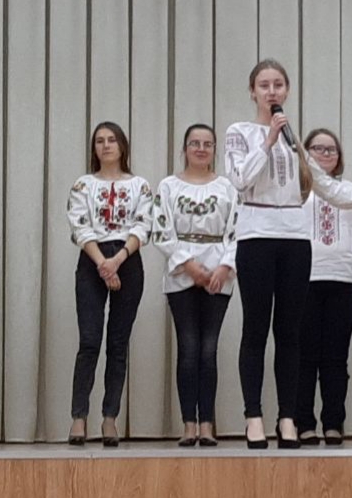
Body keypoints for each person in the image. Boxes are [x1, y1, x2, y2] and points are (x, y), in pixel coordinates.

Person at [224, 58, 352, 449]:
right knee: (255, 329)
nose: (272, 91)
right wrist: (267, 141)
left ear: (287, 90)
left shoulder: (293, 139)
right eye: (264, 85)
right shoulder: (240, 132)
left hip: (295, 240)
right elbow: (240, 179)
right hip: (256, 236)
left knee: (289, 333)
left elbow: (324, 185)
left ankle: (287, 417)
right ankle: (253, 416)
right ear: (253, 91)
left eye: (278, 85)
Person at [66, 121, 152, 447]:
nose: (105, 145)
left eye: (112, 140)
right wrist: (103, 262)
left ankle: (109, 418)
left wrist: (117, 260)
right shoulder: (83, 185)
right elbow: (79, 225)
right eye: (100, 141)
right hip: (92, 259)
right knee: (89, 341)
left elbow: (143, 225)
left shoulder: (140, 185)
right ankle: (78, 416)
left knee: (118, 344)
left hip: (127, 259)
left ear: (122, 146)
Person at [152, 124, 237, 447]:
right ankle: (189, 423)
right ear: (184, 149)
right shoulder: (168, 186)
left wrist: (224, 266)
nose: (201, 149)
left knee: (208, 349)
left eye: (207, 144)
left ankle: (207, 424)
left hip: (219, 273)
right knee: (188, 347)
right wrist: (189, 265)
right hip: (181, 274)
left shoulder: (228, 187)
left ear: (215, 149)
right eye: (194, 143)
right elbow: (161, 230)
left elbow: (238, 229)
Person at [295, 128, 352, 446]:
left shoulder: (351, 191)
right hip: (304, 281)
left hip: (344, 282)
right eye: (318, 148)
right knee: (304, 356)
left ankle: (333, 422)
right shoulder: (297, 189)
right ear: (306, 154)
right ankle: (304, 423)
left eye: (331, 149)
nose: (325, 154)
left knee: (335, 356)